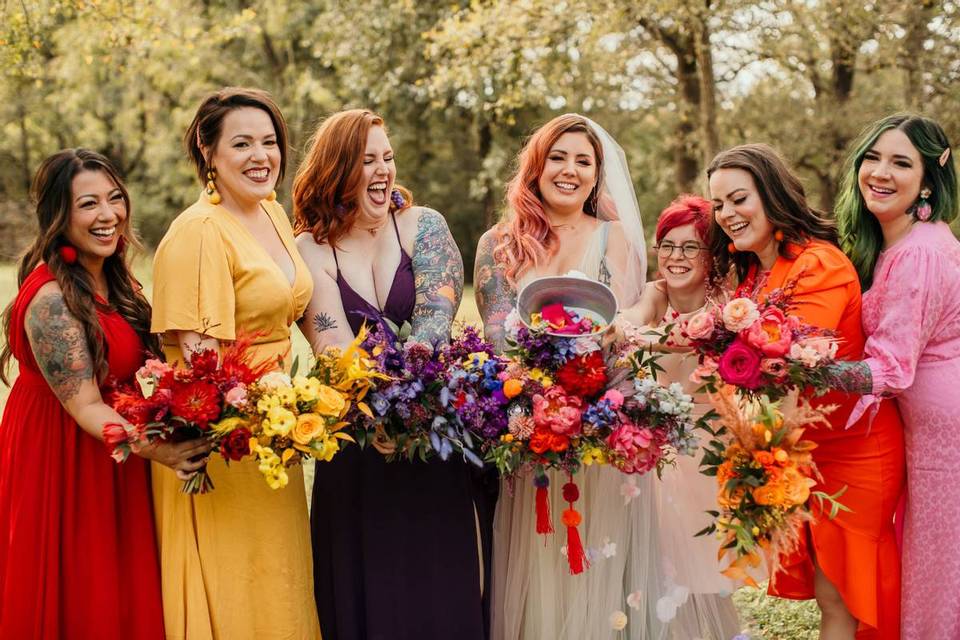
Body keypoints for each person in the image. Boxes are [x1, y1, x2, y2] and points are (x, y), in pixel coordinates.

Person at [0, 149, 208, 639]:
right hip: (62, 458)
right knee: (82, 598)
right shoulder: (51, 299)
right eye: (88, 204)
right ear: (58, 216)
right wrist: (160, 450)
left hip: (117, 451)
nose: (108, 215)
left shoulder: (115, 280)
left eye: (115, 199)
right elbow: (87, 404)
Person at [293, 108, 478, 640]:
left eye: (388, 158)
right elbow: (330, 344)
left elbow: (435, 320)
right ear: (336, 170)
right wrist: (372, 416)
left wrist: (405, 415)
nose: (383, 170)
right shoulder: (310, 249)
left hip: (428, 431)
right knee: (364, 588)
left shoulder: (426, 226)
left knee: (435, 586)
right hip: (354, 437)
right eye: (367, 160)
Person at [708, 143, 905, 640]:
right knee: (827, 590)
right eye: (718, 205)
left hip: (856, 449)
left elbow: (788, 360)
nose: (727, 214)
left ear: (772, 196)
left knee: (845, 594)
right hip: (808, 450)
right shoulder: (753, 271)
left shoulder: (819, 264)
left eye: (738, 199)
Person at [150, 88, 320, 639]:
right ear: (209, 151)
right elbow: (205, 371)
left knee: (281, 579)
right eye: (242, 143)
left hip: (275, 433)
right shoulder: (199, 231)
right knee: (241, 587)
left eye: (269, 142)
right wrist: (271, 410)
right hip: (228, 438)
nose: (260, 156)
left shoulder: (271, 212)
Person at [475, 114, 650, 639]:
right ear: (537, 165)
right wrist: (540, 396)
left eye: (583, 161)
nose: (569, 170)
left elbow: (620, 332)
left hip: (596, 435)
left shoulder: (613, 237)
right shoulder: (499, 243)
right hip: (527, 434)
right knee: (533, 566)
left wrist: (588, 400)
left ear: (598, 176)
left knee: (597, 567)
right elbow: (496, 335)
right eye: (558, 157)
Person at [829, 113, 960, 640]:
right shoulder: (899, 242)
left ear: (927, 180)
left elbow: (890, 369)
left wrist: (798, 369)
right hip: (924, 432)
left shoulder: (919, 254)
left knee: (939, 568)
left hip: (945, 439)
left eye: (901, 163)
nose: (880, 173)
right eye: (873, 158)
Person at [622, 195, 741, 639]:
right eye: (667, 246)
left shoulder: (727, 301)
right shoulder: (655, 294)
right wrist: (631, 326)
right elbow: (631, 320)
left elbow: (693, 337)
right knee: (659, 569)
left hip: (710, 446)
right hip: (660, 449)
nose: (675, 257)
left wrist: (646, 337)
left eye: (690, 247)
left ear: (711, 255)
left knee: (704, 572)